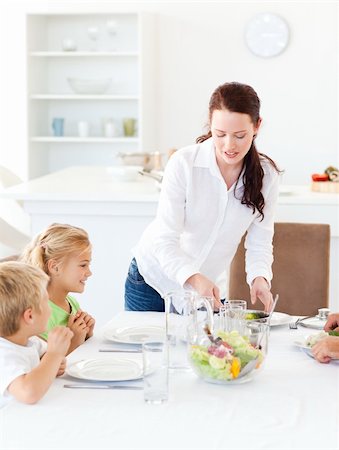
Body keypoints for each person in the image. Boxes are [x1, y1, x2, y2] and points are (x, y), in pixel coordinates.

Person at [125, 81, 281, 313]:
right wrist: (195, 279)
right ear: (210, 125)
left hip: (205, 290)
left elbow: (260, 240)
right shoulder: (184, 163)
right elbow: (165, 238)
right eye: (220, 134)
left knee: (209, 349)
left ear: (257, 126)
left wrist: (259, 277)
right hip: (152, 281)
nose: (229, 145)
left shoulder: (266, 175)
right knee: (151, 349)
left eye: (240, 135)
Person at [0, 261, 73, 406]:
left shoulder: (30, 341)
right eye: (46, 302)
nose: (51, 309)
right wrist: (53, 356)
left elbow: (45, 361)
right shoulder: (4, 355)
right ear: (30, 316)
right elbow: (28, 393)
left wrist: (53, 363)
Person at [20, 223, 95, 354]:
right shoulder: (39, 313)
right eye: (83, 265)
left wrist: (87, 334)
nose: (89, 273)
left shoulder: (71, 302)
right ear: (55, 267)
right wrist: (75, 342)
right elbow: (46, 366)